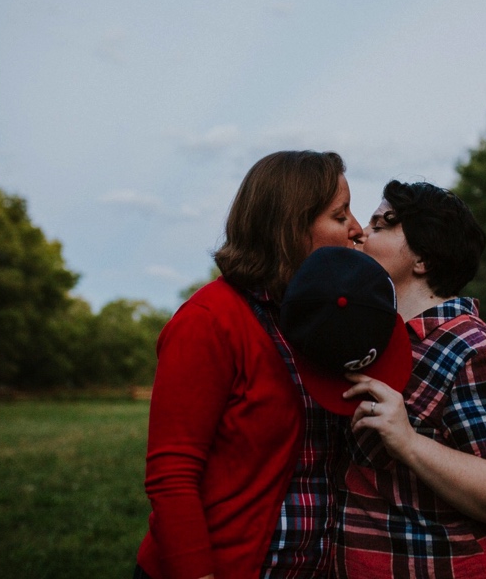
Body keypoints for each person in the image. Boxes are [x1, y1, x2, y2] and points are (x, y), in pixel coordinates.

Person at [134, 150, 363, 579]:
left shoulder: (319, 323)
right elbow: (172, 475)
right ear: (291, 227)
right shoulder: (208, 321)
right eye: (340, 215)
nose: (357, 228)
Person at [335, 180, 486, 578]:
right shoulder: (372, 340)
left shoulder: (472, 351)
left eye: (383, 224)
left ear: (423, 260)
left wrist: (409, 443)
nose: (363, 233)